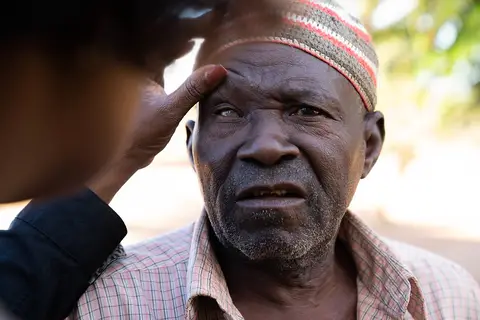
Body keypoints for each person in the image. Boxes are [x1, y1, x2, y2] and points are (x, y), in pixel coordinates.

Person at [61, 0, 480, 319]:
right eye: (227, 112)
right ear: (192, 147)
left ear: (368, 146)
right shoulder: (107, 303)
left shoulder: (448, 295)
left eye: (306, 110)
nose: (264, 146)